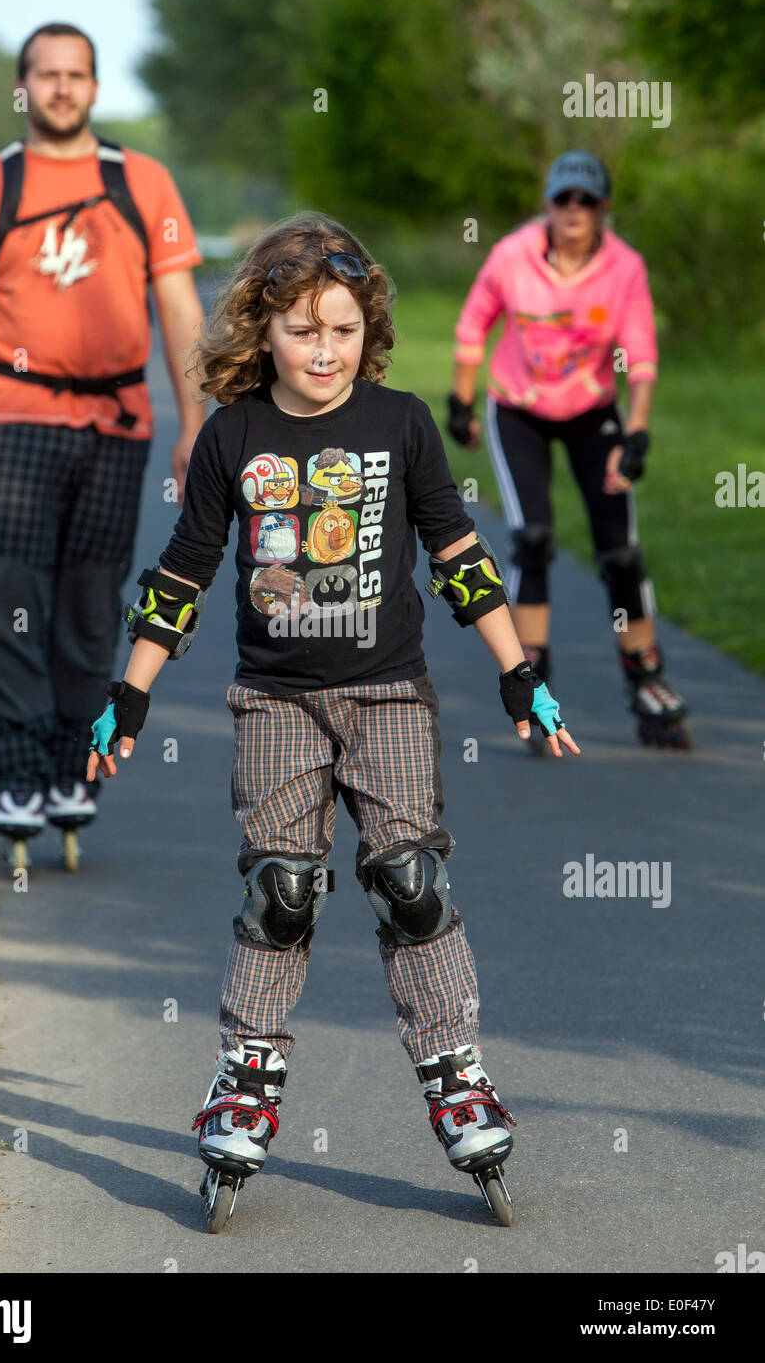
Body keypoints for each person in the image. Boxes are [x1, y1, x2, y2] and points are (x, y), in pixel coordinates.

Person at [85, 212, 580, 1223]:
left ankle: (456, 1071)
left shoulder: (402, 425)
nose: (325, 349)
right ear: (262, 328)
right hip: (275, 702)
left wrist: (520, 676)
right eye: (305, 327)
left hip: (390, 690)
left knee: (411, 882)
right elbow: (182, 572)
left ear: (371, 331)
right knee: (283, 890)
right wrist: (129, 692)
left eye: (345, 329)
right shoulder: (234, 435)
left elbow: (459, 556)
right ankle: (246, 1077)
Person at [0, 21, 207, 857]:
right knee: (7, 601)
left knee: (88, 609)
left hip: (117, 425)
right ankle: (13, 771)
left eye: (75, 74)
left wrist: (195, 426)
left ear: (93, 84)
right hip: (13, 421)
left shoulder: (141, 181)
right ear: (23, 87)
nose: (60, 88)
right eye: (44, 75)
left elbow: (181, 306)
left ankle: (70, 768)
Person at [446, 150, 691, 750]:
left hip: (592, 409)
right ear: (548, 206)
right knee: (533, 541)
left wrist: (635, 434)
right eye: (564, 199)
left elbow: (640, 355)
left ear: (604, 207)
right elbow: (474, 325)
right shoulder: (512, 255)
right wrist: (460, 401)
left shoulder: (624, 267)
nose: (575, 210)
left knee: (620, 551)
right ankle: (534, 683)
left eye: (587, 200)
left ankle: (647, 679)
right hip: (519, 406)